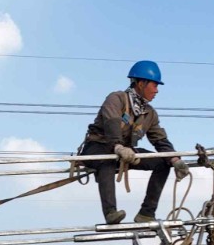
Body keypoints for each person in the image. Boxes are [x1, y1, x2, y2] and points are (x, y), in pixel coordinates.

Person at [80, 60, 190, 224]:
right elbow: (111, 123)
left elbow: (160, 139)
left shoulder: (149, 113)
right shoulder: (116, 99)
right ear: (140, 83)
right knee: (107, 160)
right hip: (98, 147)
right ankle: (111, 213)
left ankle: (146, 213)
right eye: (154, 85)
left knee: (163, 163)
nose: (157, 90)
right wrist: (118, 147)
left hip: (126, 152)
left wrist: (175, 160)